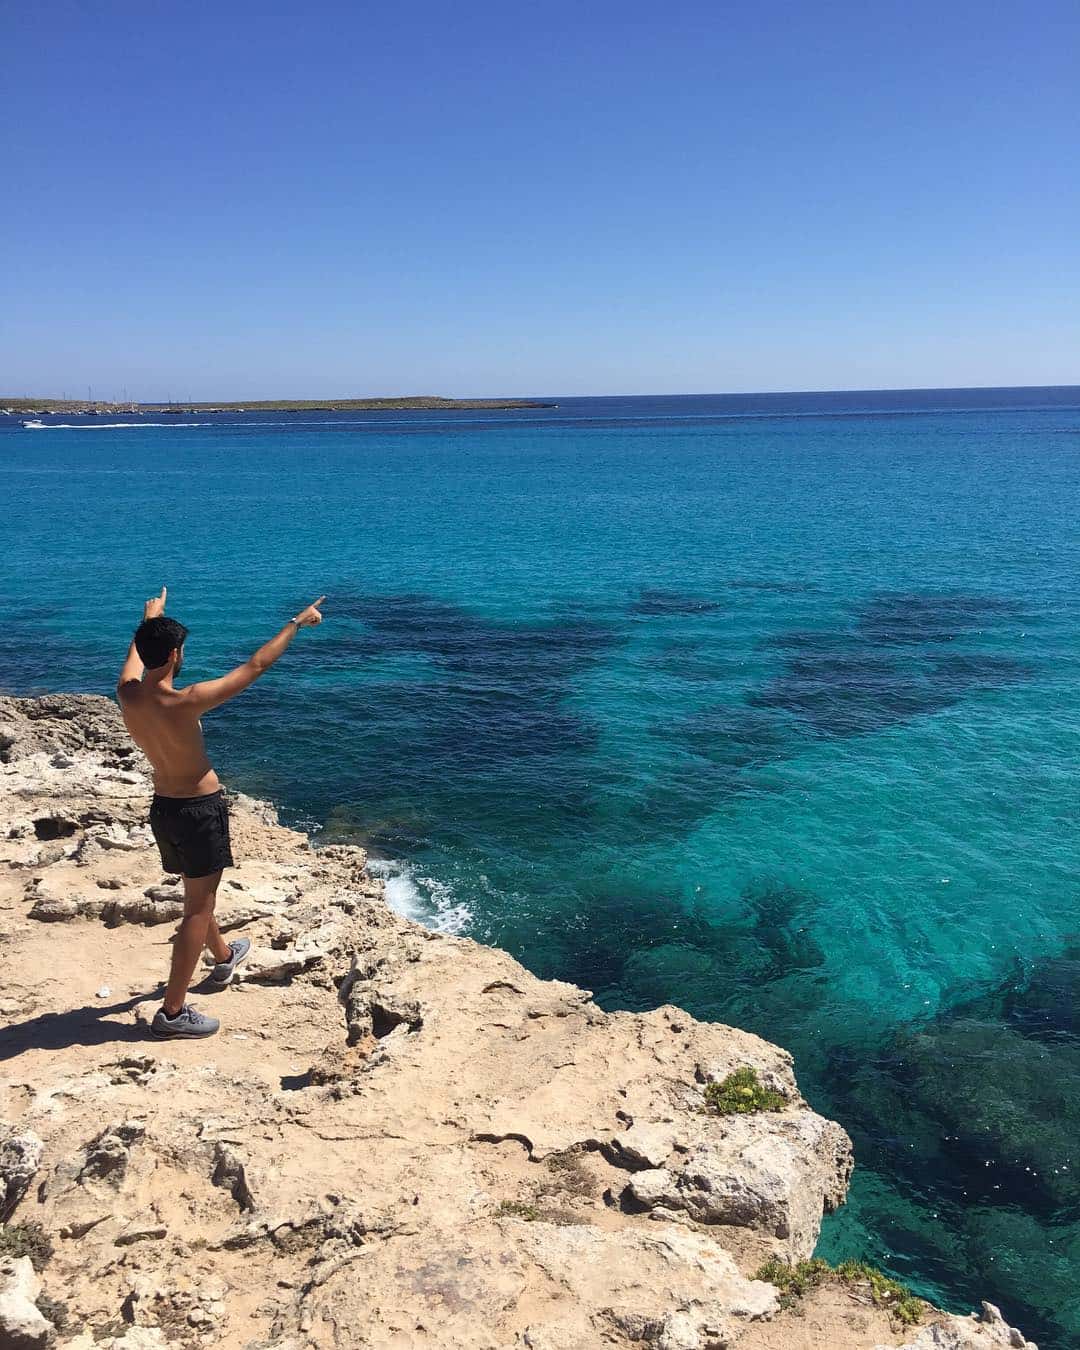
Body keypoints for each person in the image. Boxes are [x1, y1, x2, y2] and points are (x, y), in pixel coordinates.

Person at [116, 586, 325, 1039]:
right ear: (175, 654)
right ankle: (173, 1013)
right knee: (197, 907)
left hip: (164, 809)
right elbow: (256, 666)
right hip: (198, 811)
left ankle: (224, 957)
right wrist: (296, 623)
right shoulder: (186, 700)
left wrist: (149, 622)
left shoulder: (127, 694)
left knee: (197, 892)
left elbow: (136, 661)